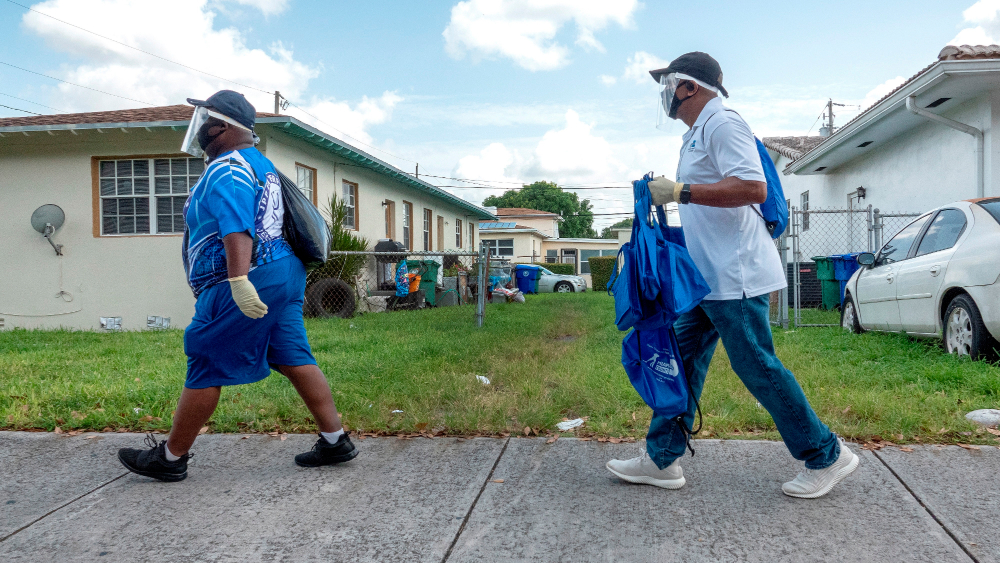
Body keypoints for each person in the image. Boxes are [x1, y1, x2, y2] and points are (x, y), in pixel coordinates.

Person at [605, 52, 858, 498]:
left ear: (689, 86)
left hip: (735, 277)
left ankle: (826, 454)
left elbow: (752, 187)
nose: (666, 94)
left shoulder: (723, 123)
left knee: (757, 366)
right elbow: (710, 201)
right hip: (709, 279)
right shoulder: (696, 135)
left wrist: (681, 190)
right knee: (679, 363)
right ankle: (663, 460)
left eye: (669, 84)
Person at [118, 90, 357, 482]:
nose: (199, 132)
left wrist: (239, 280)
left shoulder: (227, 168)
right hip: (283, 271)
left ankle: (171, 457)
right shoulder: (259, 164)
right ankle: (335, 440)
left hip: (253, 275)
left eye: (204, 123)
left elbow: (237, 226)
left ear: (223, 127)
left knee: (207, 354)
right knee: (291, 354)